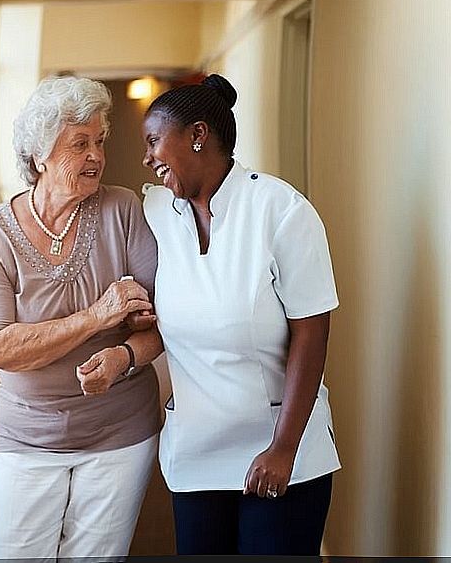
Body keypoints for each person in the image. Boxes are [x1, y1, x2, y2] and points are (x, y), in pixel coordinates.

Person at [140, 73, 341, 555]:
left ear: (197, 135)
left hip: (277, 452)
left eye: (153, 141)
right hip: (196, 455)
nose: (146, 158)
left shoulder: (282, 211)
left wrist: (283, 448)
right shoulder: (156, 214)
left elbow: (311, 334)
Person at [0, 75, 163, 560]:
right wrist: (98, 317)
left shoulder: (122, 209)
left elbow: (158, 322)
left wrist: (122, 357)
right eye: (79, 144)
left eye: (99, 141)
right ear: (39, 156)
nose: (96, 155)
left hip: (120, 431)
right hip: (26, 435)